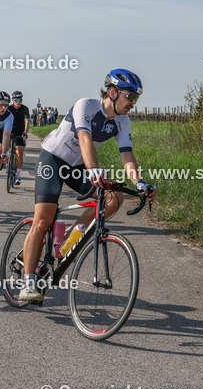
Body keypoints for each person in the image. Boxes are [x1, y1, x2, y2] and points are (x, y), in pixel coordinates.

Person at [18, 69, 154, 302]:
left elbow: (127, 155)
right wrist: (93, 170)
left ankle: (71, 239)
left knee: (114, 198)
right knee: (43, 219)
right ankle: (28, 283)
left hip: (78, 166)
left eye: (136, 98)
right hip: (52, 160)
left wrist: (139, 182)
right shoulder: (86, 106)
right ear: (112, 92)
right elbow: (84, 139)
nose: (133, 103)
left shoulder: (122, 121)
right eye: (129, 97)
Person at [8, 90, 32, 185]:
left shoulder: (25, 108)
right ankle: (8, 153)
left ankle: (18, 177)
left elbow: (27, 121)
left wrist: (25, 133)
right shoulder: (9, 108)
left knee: (19, 152)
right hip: (10, 130)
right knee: (6, 140)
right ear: (13, 100)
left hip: (20, 131)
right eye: (17, 100)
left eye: (20, 100)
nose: (19, 102)